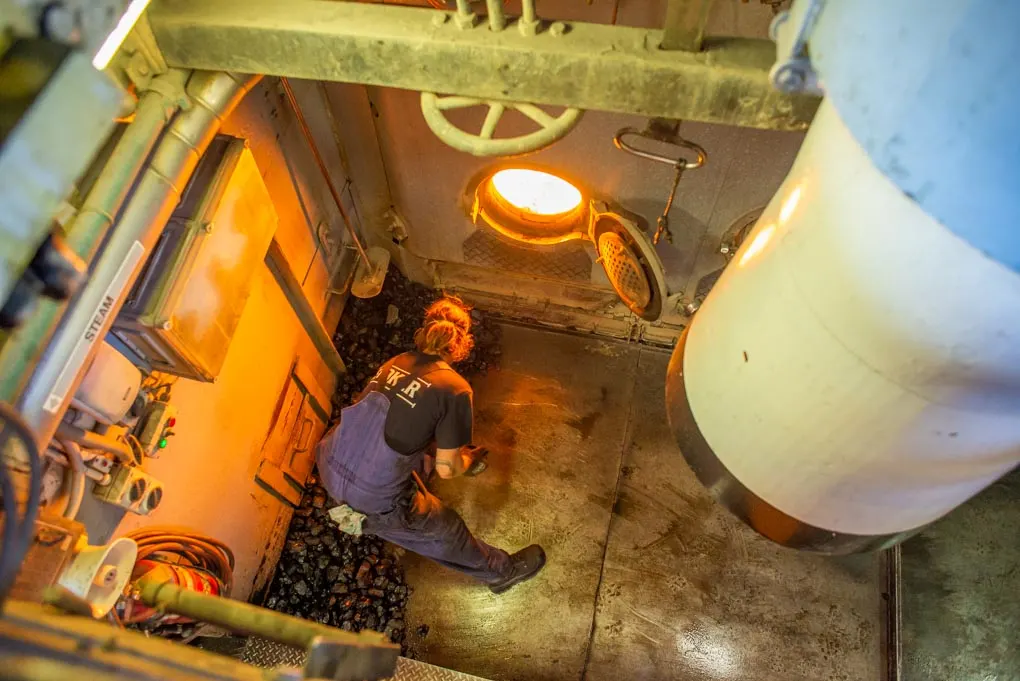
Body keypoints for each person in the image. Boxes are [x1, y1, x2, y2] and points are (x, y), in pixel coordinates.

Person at [316, 296, 546, 593]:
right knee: (445, 530)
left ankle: (389, 496)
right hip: (373, 502)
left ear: (424, 331)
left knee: (415, 453)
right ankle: (501, 573)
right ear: (462, 345)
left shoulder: (395, 362)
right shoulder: (455, 389)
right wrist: (465, 460)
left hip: (329, 461)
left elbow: (387, 420)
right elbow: (449, 470)